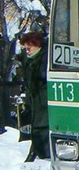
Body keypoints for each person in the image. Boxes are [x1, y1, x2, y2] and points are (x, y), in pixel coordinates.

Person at [17, 32, 49, 162]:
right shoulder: (29, 61)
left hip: (43, 101)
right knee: (36, 128)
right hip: (36, 101)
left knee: (42, 128)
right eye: (25, 49)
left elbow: (41, 77)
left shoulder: (44, 59)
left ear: (37, 45)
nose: (27, 52)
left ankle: (42, 155)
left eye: (29, 48)